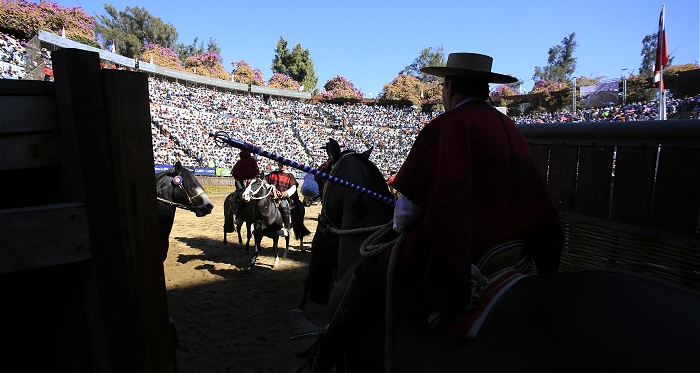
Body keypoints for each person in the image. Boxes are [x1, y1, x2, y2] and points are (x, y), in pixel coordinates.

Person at [313, 52, 564, 372]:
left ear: (448, 87)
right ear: (485, 88)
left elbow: (406, 212)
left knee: (370, 271)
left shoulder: (448, 125)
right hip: (513, 246)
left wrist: (398, 221)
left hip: (466, 242)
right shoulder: (510, 126)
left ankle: (328, 351)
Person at [266, 161, 299, 236]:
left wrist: (286, 193)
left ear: (287, 166)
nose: (282, 165)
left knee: (283, 206)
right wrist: (270, 187)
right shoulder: (273, 173)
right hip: (271, 196)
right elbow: (265, 182)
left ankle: (286, 228)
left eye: (284, 164)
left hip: (282, 198)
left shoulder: (290, 176)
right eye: (280, 164)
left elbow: (293, 187)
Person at [231, 150, 260, 225]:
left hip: (251, 188)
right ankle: (239, 217)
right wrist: (241, 189)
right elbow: (237, 179)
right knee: (242, 199)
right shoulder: (241, 167)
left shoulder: (255, 169)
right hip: (241, 187)